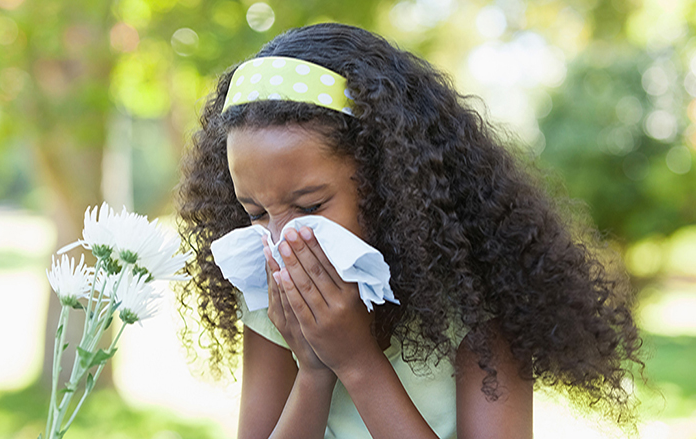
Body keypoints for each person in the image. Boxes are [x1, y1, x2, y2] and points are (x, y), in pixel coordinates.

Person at [176, 23, 643, 439]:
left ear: (389, 183)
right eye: (256, 212)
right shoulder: (270, 293)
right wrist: (314, 373)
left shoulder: (476, 301)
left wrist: (357, 362)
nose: (282, 239)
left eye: (311, 206)